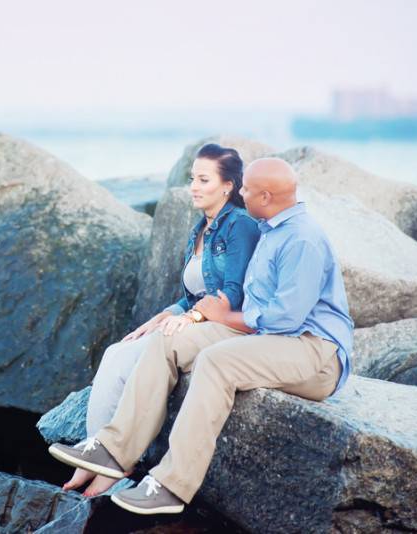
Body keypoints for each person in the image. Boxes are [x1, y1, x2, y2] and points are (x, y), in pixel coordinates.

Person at [49, 157, 354, 515]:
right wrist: (196, 315)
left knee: (216, 361)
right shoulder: (271, 228)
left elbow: (285, 319)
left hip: (314, 352)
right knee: (169, 341)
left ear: (267, 197)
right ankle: (116, 451)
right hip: (271, 336)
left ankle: (170, 486)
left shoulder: (302, 239)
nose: (240, 193)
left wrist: (224, 315)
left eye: (247, 189)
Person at [62, 144, 260, 496]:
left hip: (225, 324)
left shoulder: (239, 226)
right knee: (116, 354)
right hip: (197, 316)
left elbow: (233, 293)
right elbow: (193, 292)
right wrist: (165, 315)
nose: (194, 187)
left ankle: (115, 467)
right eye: (191, 179)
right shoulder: (201, 227)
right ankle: (94, 456)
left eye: (203, 179)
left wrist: (192, 318)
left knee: (152, 349)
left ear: (228, 185)